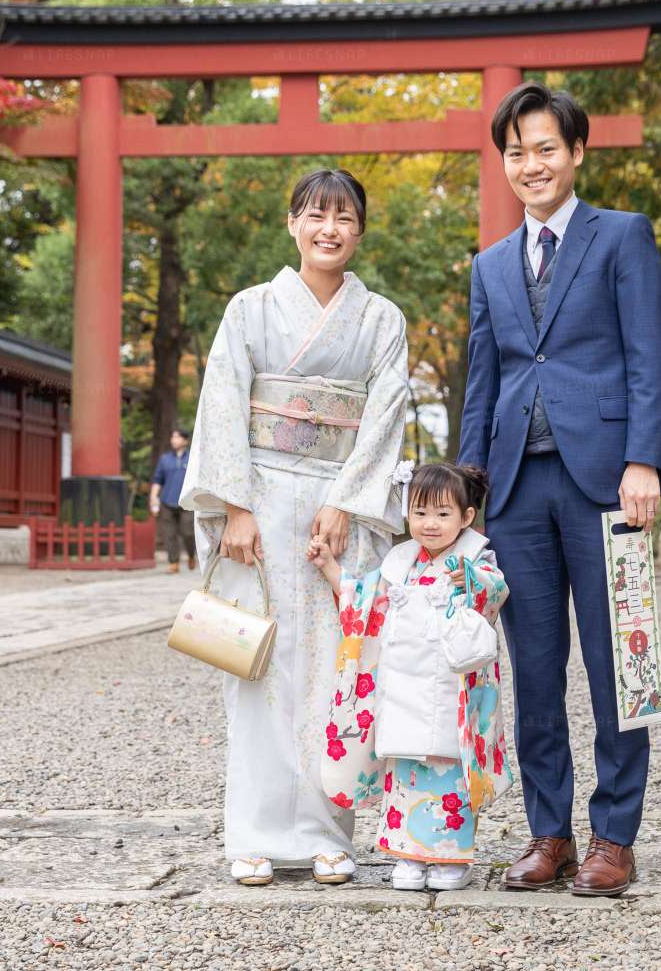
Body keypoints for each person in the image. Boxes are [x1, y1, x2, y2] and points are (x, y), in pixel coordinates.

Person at [457, 81, 661, 896]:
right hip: (515, 489)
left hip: (606, 484)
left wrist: (643, 460)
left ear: (577, 152)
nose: (531, 164)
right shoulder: (490, 265)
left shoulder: (622, 237)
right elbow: (484, 381)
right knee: (535, 670)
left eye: (545, 147)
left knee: (623, 662)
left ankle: (614, 835)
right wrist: (468, 491)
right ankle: (548, 833)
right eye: (516, 151)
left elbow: (647, 354)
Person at [179, 168, 409, 888]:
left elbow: (386, 413)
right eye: (315, 215)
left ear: (360, 230)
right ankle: (252, 832)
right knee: (258, 663)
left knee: (331, 671)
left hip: (335, 509)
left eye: (343, 217)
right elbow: (223, 402)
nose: (329, 229)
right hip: (261, 498)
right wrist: (234, 507)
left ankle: (325, 832)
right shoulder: (250, 309)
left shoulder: (381, 320)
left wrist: (347, 503)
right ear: (292, 224)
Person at [307, 462, 512, 892]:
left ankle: (451, 859)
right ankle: (408, 855)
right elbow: (361, 599)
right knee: (406, 769)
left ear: (466, 517)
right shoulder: (399, 563)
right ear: (406, 514)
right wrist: (329, 566)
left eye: (442, 514)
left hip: (452, 690)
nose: (430, 524)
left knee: (448, 768)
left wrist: (470, 579)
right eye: (420, 513)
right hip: (402, 689)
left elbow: (496, 591)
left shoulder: (474, 556)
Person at [151, 428, 197, 573]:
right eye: (172, 437)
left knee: (188, 532)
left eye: (177, 437)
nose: (173, 440)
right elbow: (157, 480)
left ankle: (191, 555)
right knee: (169, 533)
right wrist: (153, 497)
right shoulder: (165, 459)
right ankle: (173, 563)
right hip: (166, 501)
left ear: (185, 440)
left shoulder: (193, 458)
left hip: (187, 502)